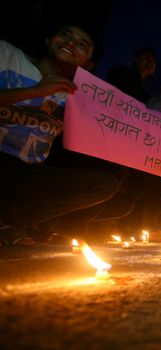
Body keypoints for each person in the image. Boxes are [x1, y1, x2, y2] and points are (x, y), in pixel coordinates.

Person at [0, 25, 118, 244]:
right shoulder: (7, 55)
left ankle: (9, 221)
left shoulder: (78, 97)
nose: (71, 43)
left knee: (104, 185)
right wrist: (33, 92)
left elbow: (124, 129)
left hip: (26, 176)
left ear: (88, 65)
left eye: (82, 44)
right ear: (48, 40)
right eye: (65, 35)